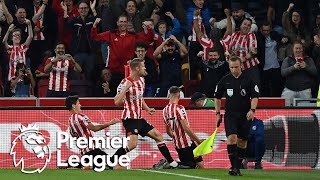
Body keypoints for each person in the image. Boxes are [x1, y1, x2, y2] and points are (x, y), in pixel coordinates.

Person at [113, 58, 178, 169]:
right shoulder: (125, 82)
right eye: (143, 67)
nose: (145, 68)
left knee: (158, 136)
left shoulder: (142, 81)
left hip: (139, 118)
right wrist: (125, 89)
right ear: (137, 68)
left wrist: (147, 109)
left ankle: (171, 163)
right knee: (132, 145)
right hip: (129, 118)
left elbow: (140, 98)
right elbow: (116, 102)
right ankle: (110, 161)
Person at [214, 56, 259, 176]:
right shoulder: (225, 80)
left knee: (242, 141)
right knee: (232, 138)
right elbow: (217, 97)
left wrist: (252, 110)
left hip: (245, 115)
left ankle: (236, 167)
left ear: (241, 66)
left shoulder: (249, 80)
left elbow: (254, 96)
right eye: (232, 67)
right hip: (230, 115)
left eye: (236, 67)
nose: (234, 70)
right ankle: (234, 167)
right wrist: (218, 113)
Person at [65, 95, 120, 169]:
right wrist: (110, 123)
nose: (80, 105)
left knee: (108, 164)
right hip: (92, 151)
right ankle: (86, 166)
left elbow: (76, 136)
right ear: (73, 106)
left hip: (84, 153)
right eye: (78, 103)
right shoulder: (80, 116)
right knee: (111, 165)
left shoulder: (70, 121)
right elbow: (94, 128)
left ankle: (75, 164)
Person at [163, 86, 204, 169]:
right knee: (190, 166)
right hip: (186, 144)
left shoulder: (164, 111)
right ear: (179, 95)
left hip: (179, 145)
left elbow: (168, 131)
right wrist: (198, 140)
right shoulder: (180, 108)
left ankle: (173, 164)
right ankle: (172, 165)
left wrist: (176, 137)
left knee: (200, 163)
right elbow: (186, 127)